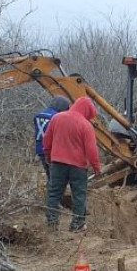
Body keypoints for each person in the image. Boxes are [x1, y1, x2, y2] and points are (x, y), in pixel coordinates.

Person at [43, 97, 101, 231]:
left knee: (54, 193)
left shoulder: (57, 118)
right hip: (78, 167)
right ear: (87, 111)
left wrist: (48, 155)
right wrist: (97, 168)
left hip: (57, 163)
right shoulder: (86, 125)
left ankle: (52, 223)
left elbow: (47, 139)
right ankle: (77, 224)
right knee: (79, 195)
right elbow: (92, 150)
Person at [33, 96, 71, 178]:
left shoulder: (38, 116)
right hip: (52, 151)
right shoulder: (57, 117)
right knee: (56, 179)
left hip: (40, 150)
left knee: (49, 176)